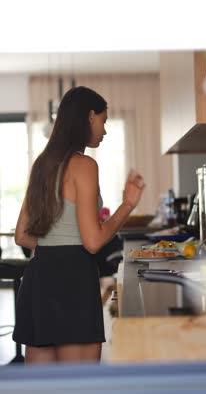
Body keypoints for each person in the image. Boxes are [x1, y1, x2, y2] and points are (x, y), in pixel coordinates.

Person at [13, 86, 145, 364]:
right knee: (79, 386)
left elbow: (22, 236)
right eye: (103, 121)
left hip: (39, 280)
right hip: (73, 280)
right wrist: (128, 204)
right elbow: (94, 242)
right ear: (89, 116)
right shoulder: (85, 165)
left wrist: (54, 246)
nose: (105, 131)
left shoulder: (42, 165)